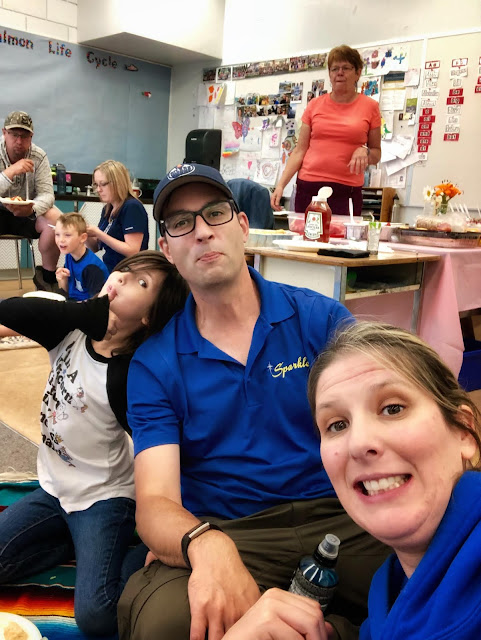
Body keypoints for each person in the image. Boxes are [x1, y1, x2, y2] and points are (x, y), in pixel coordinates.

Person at [118, 163, 390, 640]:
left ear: (243, 226)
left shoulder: (320, 320)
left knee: (447, 579)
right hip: (231, 530)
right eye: (181, 223)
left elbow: (384, 418)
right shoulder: (155, 364)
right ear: (167, 249)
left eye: (215, 213)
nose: (202, 231)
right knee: (162, 623)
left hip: (344, 516)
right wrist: (204, 544)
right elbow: (155, 502)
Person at [223, 321, 481, 640]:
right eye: (337, 425)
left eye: (393, 408)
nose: (359, 443)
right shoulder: (388, 586)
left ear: (463, 431)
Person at [0, 251, 189, 637]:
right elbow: (13, 311)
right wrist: (85, 312)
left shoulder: (131, 372)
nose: (121, 278)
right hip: (54, 489)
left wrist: (165, 526)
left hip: (104, 499)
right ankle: (68, 542)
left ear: (149, 317)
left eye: (140, 282)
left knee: (97, 615)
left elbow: (159, 448)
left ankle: (139, 551)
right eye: (124, 270)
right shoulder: (70, 330)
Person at [270, 45, 382, 216]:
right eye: (335, 69)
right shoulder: (314, 105)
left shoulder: (370, 107)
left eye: (346, 68)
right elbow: (300, 150)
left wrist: (365, 151)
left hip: (347, 190)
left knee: (343, 234)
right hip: (309, 187)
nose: (340, 73)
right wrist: (280, 185)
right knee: (304, 233)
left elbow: (376, 153)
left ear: (358, 73)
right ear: (329, 74)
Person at [0, 110, 61, 291]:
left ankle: (48, 280)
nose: (19, 141)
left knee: (56, 219)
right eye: (14, 134)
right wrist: (10, 172)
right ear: (4, 133)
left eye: (24, 136)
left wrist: (32, 209)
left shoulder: (39, 156)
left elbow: (47, 195)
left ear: (31, 137)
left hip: (27, 213)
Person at [86, 159, 149, 273]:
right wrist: (84, 233)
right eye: (96, 185)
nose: (99, 190)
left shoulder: (132, 207)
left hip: (129, 272)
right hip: (111, 269)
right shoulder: (107, 209)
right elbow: (95, 247)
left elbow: (133, 251)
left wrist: (98, 233)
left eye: (103, 184)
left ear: (117, 183)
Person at [55, 212, 109, 300]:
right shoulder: (69, 255)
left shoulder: (92, 268)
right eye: (57, 234)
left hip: (86, 307)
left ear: (83, 238)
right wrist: (62, 280)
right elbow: (67, 293)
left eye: (67, 235)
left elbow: (96, 304)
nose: (61, 240)